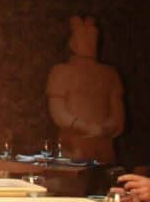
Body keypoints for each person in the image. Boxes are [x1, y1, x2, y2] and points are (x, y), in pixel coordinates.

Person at [46, 16, 124, 163]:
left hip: (103, 148)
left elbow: (118, 116)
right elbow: (59, 113)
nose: (89, 43)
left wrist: (103, 128)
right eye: (83, 38)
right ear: (73, 43)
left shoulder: (109, 73)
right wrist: (85, 127)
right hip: (74, 146)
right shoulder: (61, 72)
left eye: (92, 38)